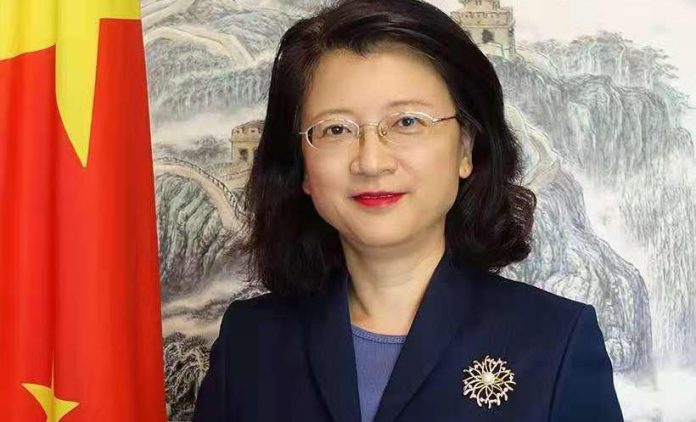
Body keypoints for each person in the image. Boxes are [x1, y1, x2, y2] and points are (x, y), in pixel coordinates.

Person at [192, 0, 625, 420]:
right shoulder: (248, 344)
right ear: (302, 167)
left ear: (466, 148)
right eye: (336, 129)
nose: (371, 162)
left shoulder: (554, 343)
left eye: (407, 122)